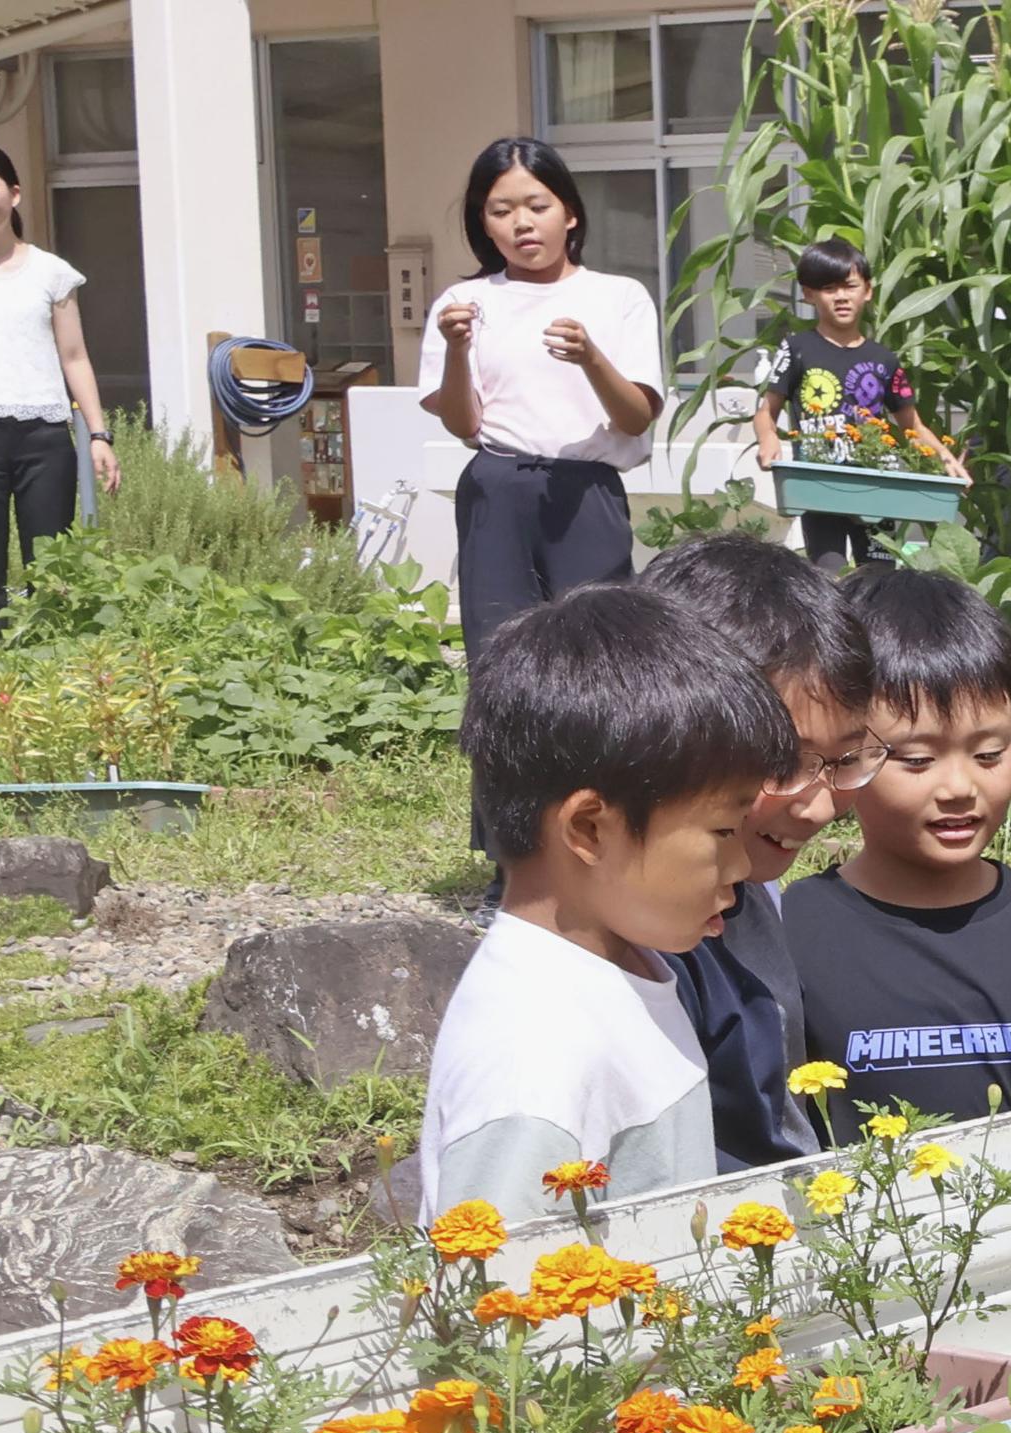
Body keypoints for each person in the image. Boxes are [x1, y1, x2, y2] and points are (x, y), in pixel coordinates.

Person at [418, 586, 796, 1220]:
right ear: (590, 828)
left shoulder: (629, 962)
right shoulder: (534, 1066)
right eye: (724, 834)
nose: (742, 867)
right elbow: (500, 1304)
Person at [784, 566, 1011, 1143]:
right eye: (917, 760)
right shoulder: (792, 932)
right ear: (847, 756)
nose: (959, 787)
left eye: (989, 753)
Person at [639, 531, 881, 1168]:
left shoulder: (753, 885)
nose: (821, 804)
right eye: (784, 764)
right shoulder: (641, 946)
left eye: (848, 759)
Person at [422, 138, 664, 668]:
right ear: (483, 224)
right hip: (496, 485)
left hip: (584, 491)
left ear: (570, 214)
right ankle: (505, 752)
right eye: (501, 211)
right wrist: (457, 350)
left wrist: (590, 358)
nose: (521, 224)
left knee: (602, 651)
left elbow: (636, 417)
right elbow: (464, 424)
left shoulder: (618, 297)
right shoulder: (463, 305)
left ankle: (602, 753)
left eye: (538, 206)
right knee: (500, 649)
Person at [0, 144, 117, 649]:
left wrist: (99, 434)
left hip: (45, 439)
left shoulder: (50, 272)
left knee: (52, 574)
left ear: (14, 194)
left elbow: (75, 356)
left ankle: (52, 680)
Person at [750, 236, 963, 571]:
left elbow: (913, 426)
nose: (841, 297)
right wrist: (768, 438)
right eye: (829, 288)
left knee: (878, 581)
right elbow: (766, 411)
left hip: (876, 486)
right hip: (820, 489)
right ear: (808, 294)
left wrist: (946, 459)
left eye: (849, 286)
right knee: (828, 575)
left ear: (868, 290)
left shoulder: (884, 360)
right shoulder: (797, 349)